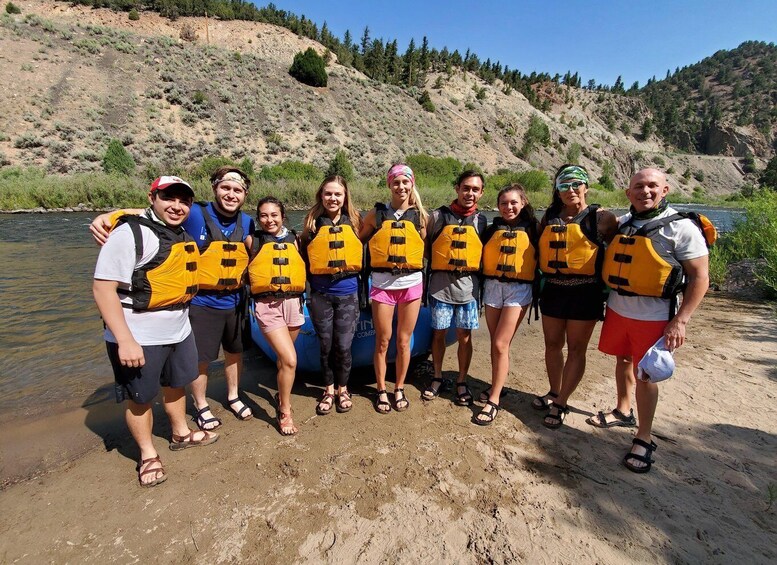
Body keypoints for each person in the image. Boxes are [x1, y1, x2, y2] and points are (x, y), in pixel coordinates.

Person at [89, 167, 255, 431]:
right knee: (201, 359)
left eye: (237, 190)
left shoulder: (247, 222)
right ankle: (201, 404)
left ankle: (233, 396)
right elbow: (153, 214)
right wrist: (109, 216)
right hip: (201, 302)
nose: (231, 194)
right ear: (215, 189)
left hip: (234, 302)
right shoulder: (194, 214)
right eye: (225, 188)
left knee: (235, 353)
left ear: (245, 194)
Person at [92, 176, 218, 488]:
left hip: (178, 328)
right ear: (153, 197)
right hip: (138, 335)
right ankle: (148, 454)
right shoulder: (129, 233)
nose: (177, 206)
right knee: (142, 398)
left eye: (183, 200)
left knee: (176, 384)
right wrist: (124, 341)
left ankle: (180, 432)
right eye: (168, 198)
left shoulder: (180, 232)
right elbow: (103, 288)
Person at [595, 168, 709, 473]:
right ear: (628, 193)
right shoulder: (624, 223)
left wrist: (681, 321)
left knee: (646, 375)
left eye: (652, 186)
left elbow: (700, 278)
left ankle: (643, 437)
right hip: (619, 309)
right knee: (622, 361)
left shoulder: (683, 228)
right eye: (639, 187)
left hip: (656, 315)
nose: (646, 191)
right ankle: (623, 409)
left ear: (665, 189)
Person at [534, 164, 617, 429]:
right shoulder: (548, 218)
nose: (570, 190)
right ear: (557, 191)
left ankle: (562, 402)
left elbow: (616, 252)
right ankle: (553, 391)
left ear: (586, 187)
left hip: (586, 292)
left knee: (576, 349)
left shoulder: (603, 218)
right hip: (554, 290)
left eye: (575, 184)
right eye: (563, 186)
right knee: (552, 345)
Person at [359, 164, 428, 414]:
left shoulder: (421, 216)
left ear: (412, 184)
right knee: (383, 340)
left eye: (405, 182)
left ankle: (398, 387)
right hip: (382, 285)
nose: (401, 187)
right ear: (389, 185)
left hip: (411, 285)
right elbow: (357, 242)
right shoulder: (376, 215)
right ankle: (380, 389)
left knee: (403, 340)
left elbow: (427, 249)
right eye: (396, 182)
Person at [475, 184, 539, 425]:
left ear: (523, 203)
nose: (508, 207)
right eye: (504, 203)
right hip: (493, 287)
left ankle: (493, 400)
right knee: (497, 343)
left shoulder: (535, 228)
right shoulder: (492, 229)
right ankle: (497, 386)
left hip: (519, 289)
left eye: (514, 202)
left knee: (501, 343)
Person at [422, 170, 488, 405]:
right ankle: (437, 376)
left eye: (475, 189)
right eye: (466, 188)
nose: (469, 193)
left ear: (481, 193)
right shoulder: (437, 216)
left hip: (468, 291)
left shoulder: (481, 221)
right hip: (440, 288)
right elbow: (426, 248)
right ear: (457, 189)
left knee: (465, 337)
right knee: (438, 333)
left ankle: (461, 381)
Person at [300, 176, 363, 415]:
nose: (333, 198)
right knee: (325, 345)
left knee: (344, 347)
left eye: (338, 194)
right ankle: (328, 390)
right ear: (321, 195)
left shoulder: (356, 221)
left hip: (348, 295)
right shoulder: (312, 223)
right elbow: (305, 257)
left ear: (345, 196)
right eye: (328, 194)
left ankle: (343, 389)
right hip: (321, 295)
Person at [248, 196, 306, 435]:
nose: (269, 220)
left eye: (274, 215)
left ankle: (281, 393)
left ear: (283, 217)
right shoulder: (252, 240)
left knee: (284, 361)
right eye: (263, 215)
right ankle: (285, 410)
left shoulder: (296, 239)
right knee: (290, 359)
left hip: (293, 304)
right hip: (267, 307)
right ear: (258, 218)